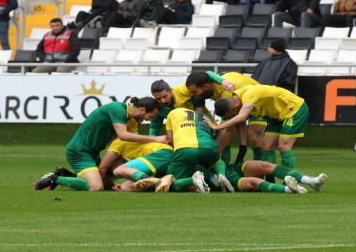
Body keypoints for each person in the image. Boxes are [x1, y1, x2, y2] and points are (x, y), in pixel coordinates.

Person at [33, 98, 167, 191]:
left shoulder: (131, 120)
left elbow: (132, 140)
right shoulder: (117, 108)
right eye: (152, 115)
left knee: (107, 185)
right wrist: (156, 139)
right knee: (96, 187)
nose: (150, 120)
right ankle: (54, 179)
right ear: (143, 110)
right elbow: (123, 135)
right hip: (79, 152)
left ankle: (66, 174)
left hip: (92, 153)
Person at [210, 84, 309, 173]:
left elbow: (241, 117)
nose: (233, 116)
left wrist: (217, 127)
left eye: (231, 115)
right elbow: (241, 121)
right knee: (266, 146)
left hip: (294, 109)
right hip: (276, 115)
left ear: (233, 108)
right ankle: (270, 180)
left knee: (283, 146)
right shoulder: (238, 98)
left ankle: (291, 179)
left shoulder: (248, 96)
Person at [184, 71, 261, 164]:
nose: (193, 94)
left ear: (206, 87)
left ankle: (219, 163)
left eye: (195, 92)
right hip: (245, 100)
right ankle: (226, 163)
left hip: (259, 103)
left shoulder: (227, 92)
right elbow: (207, 72)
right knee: (224, 132)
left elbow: (239, 120)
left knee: (253, 138)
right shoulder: (207, 83)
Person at [161, 108, 233, 193]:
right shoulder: (204, 116)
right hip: (208, 147)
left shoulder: (171, 113)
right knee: (217, 161)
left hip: (185, 149)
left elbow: (171, 139)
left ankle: (193, 180)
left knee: (171, 182)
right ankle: (221, 175)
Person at [222, 159, 327, 193]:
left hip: (231, 167)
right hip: (221, 176)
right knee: (253, 182)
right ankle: (290, 189)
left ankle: (311, 181)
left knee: (264, 165)